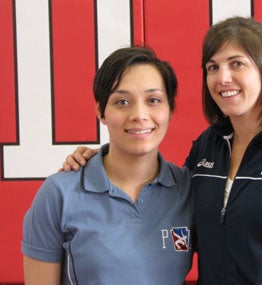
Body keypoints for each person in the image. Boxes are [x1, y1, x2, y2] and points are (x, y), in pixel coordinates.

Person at [62, 17, 262, 284]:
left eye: (237, 64)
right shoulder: (208, 147)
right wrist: (101, 161)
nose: (222, 78)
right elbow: (169, 217)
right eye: (212, 67)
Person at [22, 46, 193, 284]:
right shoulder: (59, 194)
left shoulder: (189, 189)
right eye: (122, 102)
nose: (139, 114)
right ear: (101, 111)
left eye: (153, 100)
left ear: (170, 109)